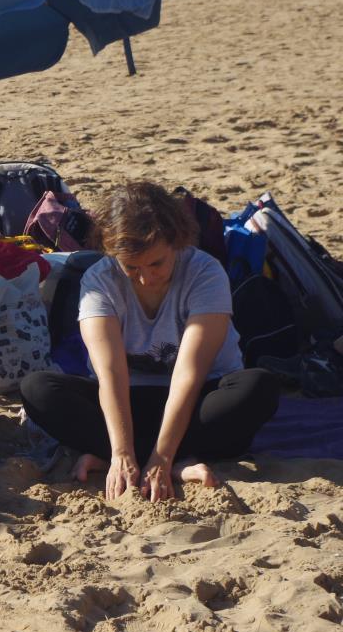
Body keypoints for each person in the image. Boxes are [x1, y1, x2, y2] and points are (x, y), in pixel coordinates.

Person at [20, 182, 280, 503]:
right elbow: (110, 373)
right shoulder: (99, 280)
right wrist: (121, 452)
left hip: (199, 399)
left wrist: (162, 458)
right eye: (131, 267)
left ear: (176, 243)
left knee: (259, 388)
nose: (145, 278)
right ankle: (169, 458)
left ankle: (145, 456)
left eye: (156, 263)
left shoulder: (205, 273)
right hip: (126, 400)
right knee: (38, 389)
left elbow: (189, 374)